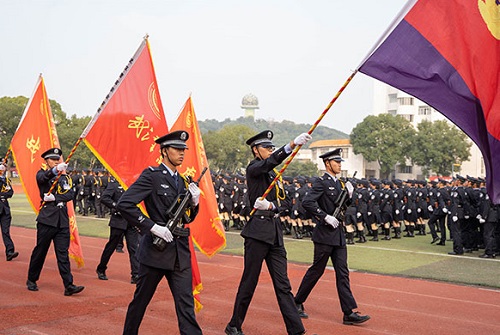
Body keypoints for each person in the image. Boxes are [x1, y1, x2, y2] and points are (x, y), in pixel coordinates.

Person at [225, 130, 311, 335]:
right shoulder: (254, 168)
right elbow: (269, 163)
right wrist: (290, 145)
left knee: (283, 285)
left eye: (272, 147)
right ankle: (234, 325)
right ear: (256, 151)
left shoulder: (273, 175)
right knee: (249, 282)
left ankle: (296, 331)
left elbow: (282, 205)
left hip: (274, 234)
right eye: (267, 147)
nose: (270, 150)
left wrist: (271, 207)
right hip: (257, 233)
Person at [117, 130, 202, 335]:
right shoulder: (152, 176)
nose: (182, 153)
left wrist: (195, 202)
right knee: (141, 302)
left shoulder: (184, 181)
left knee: (186, 307)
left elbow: (187, 217)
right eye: (177, 149)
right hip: (156, 251)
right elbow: (125, 204)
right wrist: (153, 227)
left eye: (184, 150)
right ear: (164, 151)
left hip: (179, 252)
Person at [294, 148, 370, 325]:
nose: (339, 165)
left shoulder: (339, 183)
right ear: (328, 164)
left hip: (338, 235)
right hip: (324, 234)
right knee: (316, 271)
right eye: (337, 162)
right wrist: (324, 216)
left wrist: (350, 194)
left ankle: (349, 312)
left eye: (340, 162)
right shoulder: (321, 182)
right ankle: (297, 301)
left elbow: (344, 204)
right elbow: (307, 202)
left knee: (343, 273)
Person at [26, 148, 85, 296]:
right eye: (53, 160)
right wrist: (54, 171)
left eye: (58, 159)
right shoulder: (42, 174)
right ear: (46, 161)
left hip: (62, 221)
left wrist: (56, 198)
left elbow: (70, 195)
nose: (57, 162)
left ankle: (68, 285)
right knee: (41, 251)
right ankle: (32, 279)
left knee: (62, 254)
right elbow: (42, 179)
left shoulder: (64, 177)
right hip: (47, 220)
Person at [96, 176, 139, 283]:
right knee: (111, 246)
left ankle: (135, 274)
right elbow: (105, 198)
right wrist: (117, 206)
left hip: (131, 221)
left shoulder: (133, 184)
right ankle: (101, 269)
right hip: (118, 220)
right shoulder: (115, 184)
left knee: (134, 248)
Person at [0, 163, 18, 261]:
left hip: (5, 209)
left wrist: (3, 195)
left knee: (5, 232)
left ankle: (9, 251)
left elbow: (10, 193)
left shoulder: (6, 180)